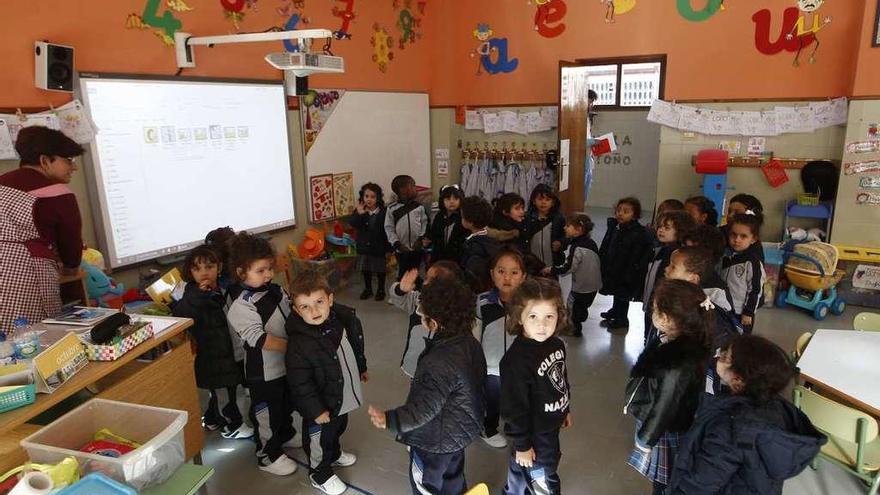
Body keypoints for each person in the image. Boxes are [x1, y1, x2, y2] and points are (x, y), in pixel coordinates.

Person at [368, 277, 487, 495]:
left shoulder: (439, 362)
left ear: (434, 323)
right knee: (453, 472)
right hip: (459, 431)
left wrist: (391, 420)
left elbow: (424, 408)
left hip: (433, 440)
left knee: (425, 483)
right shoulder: (471, 344)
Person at [668, 335, 827, 495]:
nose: (718, 357)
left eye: (725, 358)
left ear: (738, 380)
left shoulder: (730, 428)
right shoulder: (777, 406)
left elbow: (701, 484)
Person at [624, 279, 712, 495]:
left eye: (655, 309)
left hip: (665, 428)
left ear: (669, 319)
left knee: (665, 480)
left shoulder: (677, 361)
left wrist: (646, 438)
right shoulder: (677, 341)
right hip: (669, 423)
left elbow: (665, 404)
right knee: (666, 477)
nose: (651, 312)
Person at [286, 270, 367, 495]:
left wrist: (361, 367)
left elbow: (351, 347)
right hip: (321, 406)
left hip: (339, 396)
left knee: (338, 427)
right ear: (296, 310)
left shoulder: (339, 321)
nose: (314, 311)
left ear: (330, 299)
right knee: (319, 439)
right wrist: (316, 410)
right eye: (305, 307)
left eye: (319, 302)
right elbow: (300, 383)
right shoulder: (299, 343)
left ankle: (334, 453)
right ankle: (319, 473)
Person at [0, 126, 85, 334]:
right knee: (35, 339)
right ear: (45, 161)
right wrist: (70, 268)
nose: (73, 168)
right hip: (25, 274)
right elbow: (70, 245)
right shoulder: (59, 194)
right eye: (68, 160)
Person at [225, 232, 297, 476]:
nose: (268, 274)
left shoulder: (275, 290)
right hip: (263, 372)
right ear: (241, 272)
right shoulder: (241, 305)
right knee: (267, 413)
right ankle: (268, 455)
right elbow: (260, 339)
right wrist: (295, 347)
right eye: (261, 270)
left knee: (286, 405)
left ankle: (285, 435)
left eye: (269, 268)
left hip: (286, 365)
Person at [500, 278, 572, 495]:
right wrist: (522, 445)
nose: (542, 325)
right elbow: (513, 408)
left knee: (522, 470)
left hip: (550, 424)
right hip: (533, 434)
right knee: (543, 477)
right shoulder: (516, 361)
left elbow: (559, 379)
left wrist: (565, 408)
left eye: (549, 316)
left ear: (558, 315)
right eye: (533, 316)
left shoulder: (556, 344)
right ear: (519, 317)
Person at [172, 245, 251, 439]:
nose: (204, 273)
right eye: (197, 269)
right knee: (229, 393)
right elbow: (182, 314)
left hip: (232, 351)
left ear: (219, 267)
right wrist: (199, 296)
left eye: (209, 267)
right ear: (190, 272)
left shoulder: (225, 289)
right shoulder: (191, 295)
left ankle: (212, 418)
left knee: (225, 391)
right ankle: (233, 425)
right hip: (213, 357)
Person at [664, 247, 743, 394]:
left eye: (673, 266)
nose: (666, 269)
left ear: (693, 278)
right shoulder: (676, 298)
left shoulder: (696, 307)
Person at [477, 249, 528, 448]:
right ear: (492, 273)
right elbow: (474, 336)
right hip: (490, 367)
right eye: (501, 271)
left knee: (517, 400)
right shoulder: (481, 303)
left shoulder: (529, 304)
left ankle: (516, 430)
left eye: (514, 272)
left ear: (523, 277)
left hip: (518, 369)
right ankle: (487, 428)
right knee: (492, 400)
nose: (507, 277)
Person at [390, 261, 464, 378]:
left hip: (443, 373)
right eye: (426, 278)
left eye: (432, 281)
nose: (425, 283)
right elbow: (398, 298)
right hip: (415, 367)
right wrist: (401, 289)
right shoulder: (418, 300)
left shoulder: (457, 312)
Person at [640, 210, 695, 343]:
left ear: (680, 231)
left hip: (662, 301)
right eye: (660, 226)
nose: (661, 230)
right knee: (649, 332)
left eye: (667, 228)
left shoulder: (675, 254)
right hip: (652, 300)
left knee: (656, 335)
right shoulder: (662, 249)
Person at [542, 213, 601, 337]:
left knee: (572, 305)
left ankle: (574, 328)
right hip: (593, 285)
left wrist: (552, 270)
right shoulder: (591, 243)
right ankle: (580, 317)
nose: (564, 228)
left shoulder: (577, 247)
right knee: (581, 305)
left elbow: (568, 267)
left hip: (581, 286)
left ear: (578, 230)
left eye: (568, 226)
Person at [599, 197, 651, 330]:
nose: (620, 214)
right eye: (618, 210)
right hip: (615, 266)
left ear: (635, 215)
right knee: (616, 292)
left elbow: (637, 254)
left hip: (626, 269)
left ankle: (622, 318)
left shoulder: (637, 233)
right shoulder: (616, 227)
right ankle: (615, 310)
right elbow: (608, 243)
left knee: (623, 294)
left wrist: (632, 271)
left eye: (626, 211)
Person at [721, 213, 766, 334]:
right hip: (723, 307)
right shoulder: (724, 256)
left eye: (743, 236)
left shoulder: (753, 262)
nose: (737, 240)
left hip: (741, 312)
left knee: (740, 342)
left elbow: (756, 290)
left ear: (753, 239)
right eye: (733, 235)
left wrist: (748, 312)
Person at [349, 182, 390, 301]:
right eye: (366, 196)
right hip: (364, 246)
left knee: (380, 269)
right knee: (365, 268)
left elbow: (388, 231)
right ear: (362, 197)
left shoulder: (383, 211)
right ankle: (368, 289)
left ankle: (381, 290)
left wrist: (388, 248)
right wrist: (360, 214)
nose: (369, 199)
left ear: (378, 198)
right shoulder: (360, 210)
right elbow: (353, 224)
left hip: (379, 246)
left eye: (372, 197)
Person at [385, 175, 430, 280]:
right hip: (401, 249)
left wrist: (420, 238)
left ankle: (417, 290)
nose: (416, 189)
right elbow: (389, 228)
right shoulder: (392, 209)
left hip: (417, 247)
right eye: (413, 186)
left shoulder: (419, 207)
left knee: (416, 271)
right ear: (403, 190)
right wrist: (397, 244)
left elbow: (424, 223)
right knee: (403, 273)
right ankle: (403, 291)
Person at [460, 196, 501, 292]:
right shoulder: (490, 241)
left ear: (469, 222)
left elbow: (471, 277)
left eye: (462, 216)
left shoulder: (474, 246)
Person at [525, 184, 565, 269]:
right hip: (532, 263)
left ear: (553, 202)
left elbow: (566, 236)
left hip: (552, 263)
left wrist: (561, 243)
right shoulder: (527, 218)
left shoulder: (558, 219)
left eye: (547, 199)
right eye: (540, 199)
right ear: (533, 201)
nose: (543, 202)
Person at [427, 184, 467, 264]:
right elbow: (434, 233)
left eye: (455, 199)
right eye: (448, 199)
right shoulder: (439, 216)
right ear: (442, 201)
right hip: (439, 255)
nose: (452, 202)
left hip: (456, 256)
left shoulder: (462, 217)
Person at [722, 193, 765, 262]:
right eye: (729, 211)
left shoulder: (754, 254)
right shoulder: (719, 233)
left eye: (737, 213)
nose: (730, 215)